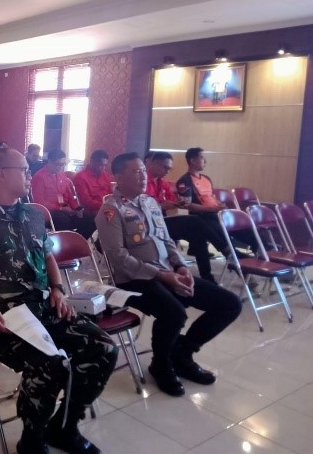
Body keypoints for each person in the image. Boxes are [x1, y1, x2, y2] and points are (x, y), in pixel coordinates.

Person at [0, 149, 117, 454]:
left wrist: (57, 289)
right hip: (1, 318)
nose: (30, 175)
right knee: (50, 366)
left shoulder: (33, 215)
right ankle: (32, 438)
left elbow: (48, 255)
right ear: (2, 174)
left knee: (103, 348)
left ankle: (64, 427)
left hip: (42, 307)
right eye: (24, 170)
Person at [96, 152, 242, 397]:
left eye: (143, 171)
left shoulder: (150, 203)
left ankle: (182, 353)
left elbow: (166, 240)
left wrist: (181, 266)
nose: (143, 176)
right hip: (133, 280)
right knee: (174, 313)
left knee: (230, 304)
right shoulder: (111, 211)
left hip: (168, 271)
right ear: (118, 177)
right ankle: (160, 364)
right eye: (136, 172)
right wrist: (162, 276)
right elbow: (118, 258)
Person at [145, 151, 217, 283]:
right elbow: (141, 206)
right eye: (165, 167)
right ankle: (225, 249)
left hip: (163, 223)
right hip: (149, 224)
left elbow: (173, 199)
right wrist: (161, 206)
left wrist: (177, 202)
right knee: (196, 221)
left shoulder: (163, 183)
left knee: (198, 234)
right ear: (153, 163)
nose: (167, 171)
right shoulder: (143, 181)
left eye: (169, 169)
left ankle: (207, 276)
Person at [175, 147, 257, 254]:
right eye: (202, 157)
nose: (205, 161)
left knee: (243, 225)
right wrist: (212, 209)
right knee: (215, 225)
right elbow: (187, 206)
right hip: (201, 216)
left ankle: (261, 249)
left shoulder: (206, 179)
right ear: (193, 160)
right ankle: (231, 253)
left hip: (215, 213)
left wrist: (219, 205)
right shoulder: (185, 181)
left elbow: (211, 197)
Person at [31, 149, 96, 239]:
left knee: (91, 219)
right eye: (57, 164)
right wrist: (61, 209)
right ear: (49, 162)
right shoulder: (39, 177)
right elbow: (40, 203)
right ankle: (67, 241)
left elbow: (68, 194)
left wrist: (76, 208)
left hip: (64, 208)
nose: (60, 167)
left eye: (62, 164)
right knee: (63, 220)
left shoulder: (61, 174)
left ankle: (76, 241)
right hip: (49, 212)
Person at [73, 149, 113, 217]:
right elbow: (86, 201)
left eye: (104, 165)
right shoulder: (81, 177)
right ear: (91, 162)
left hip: (107, 208)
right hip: (92, 211)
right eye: (100, 165)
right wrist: (106, 205)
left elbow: (111, 194)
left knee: (126, 214)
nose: (103, 168)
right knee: (115, 218)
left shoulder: (105, 175)